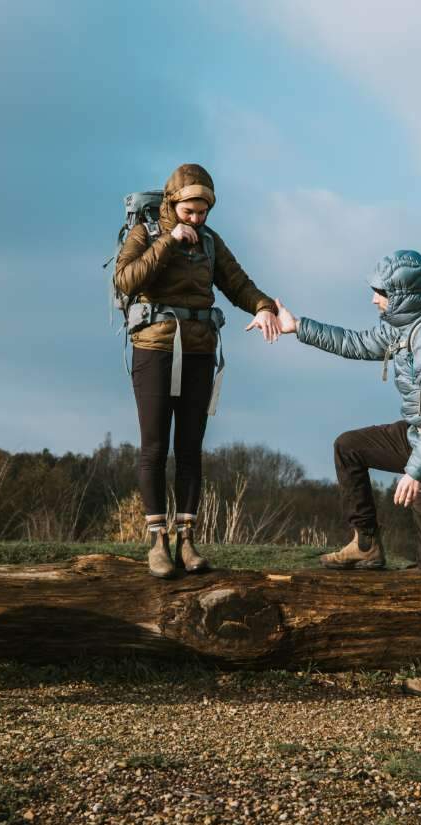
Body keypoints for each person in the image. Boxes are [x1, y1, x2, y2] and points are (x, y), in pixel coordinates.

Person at [274, 250, 421, 697]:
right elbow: (355, 342)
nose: (374, 299)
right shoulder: (404, 328)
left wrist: (415, 470)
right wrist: (298, 327)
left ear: (402, 293)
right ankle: (366, 544)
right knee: (349, 446)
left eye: (380, 292)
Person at [115, 164, 280, 579]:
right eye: (188, 211)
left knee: (190, 447)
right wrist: (168, 242)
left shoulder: (210, 241)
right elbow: (125, 280)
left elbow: (237, 283)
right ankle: (157, 541)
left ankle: (187, 540)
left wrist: (263, 307)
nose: (195, 218)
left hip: (200, 351)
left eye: (202, 212)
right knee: (154, 447)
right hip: (154, 349)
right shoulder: (147, 234)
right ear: (172, 203)